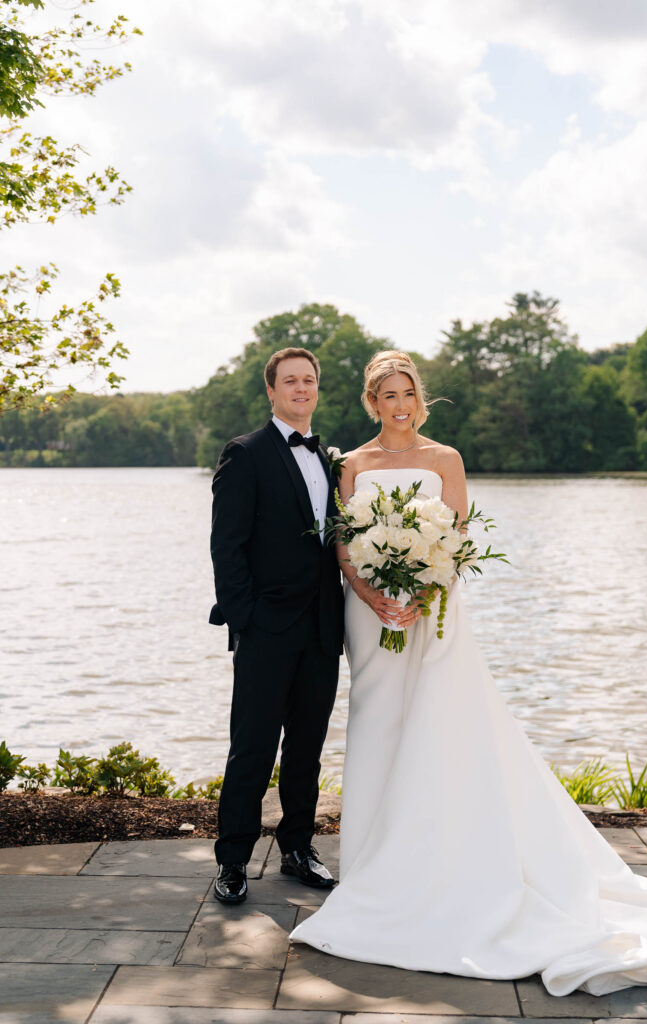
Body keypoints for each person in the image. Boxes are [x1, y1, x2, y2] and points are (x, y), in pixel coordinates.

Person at [290, 350, 647, 997]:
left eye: (406, 392)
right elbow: (340, 541)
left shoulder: (445, 458)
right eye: (386, 394)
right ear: (371, 401)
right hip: (370, 615)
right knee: (376, 726)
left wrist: (420, 592)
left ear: (419, 398)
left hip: (434, 612)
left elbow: (458, 540)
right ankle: (367, 868)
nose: (398, 404)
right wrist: (371, 595)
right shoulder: (352, 464)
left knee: (440, 727)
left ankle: (445, 856)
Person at [209, 347, 344, 904]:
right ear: (271, 391)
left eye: (308, 380)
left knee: (307, 749)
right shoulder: (246, 453)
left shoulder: (331, 460)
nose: (301, 388)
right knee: (252, 748)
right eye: (290, 380)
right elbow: (226, 545)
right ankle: (233, 861)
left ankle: (297, 849)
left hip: (321, 630)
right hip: (266, 630)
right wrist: (245, 620)